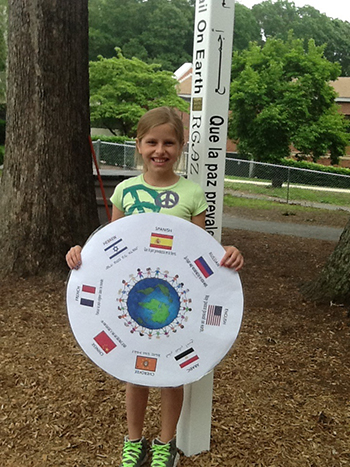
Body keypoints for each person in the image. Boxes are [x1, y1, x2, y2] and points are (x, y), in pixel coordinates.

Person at [66, 107, 244, 467]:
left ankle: (165, 443)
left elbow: (202, 248)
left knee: (171, 376)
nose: (159, 150)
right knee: (135, 375)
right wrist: (80, 254)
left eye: (168, 142)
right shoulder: (125, 192)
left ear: (180, 147)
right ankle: (133, 440)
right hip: (135, 301)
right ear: (139, 145)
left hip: (175, 303)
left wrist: (228, 254)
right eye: (152, 142)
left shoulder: (192, 193)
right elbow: (109, 249)